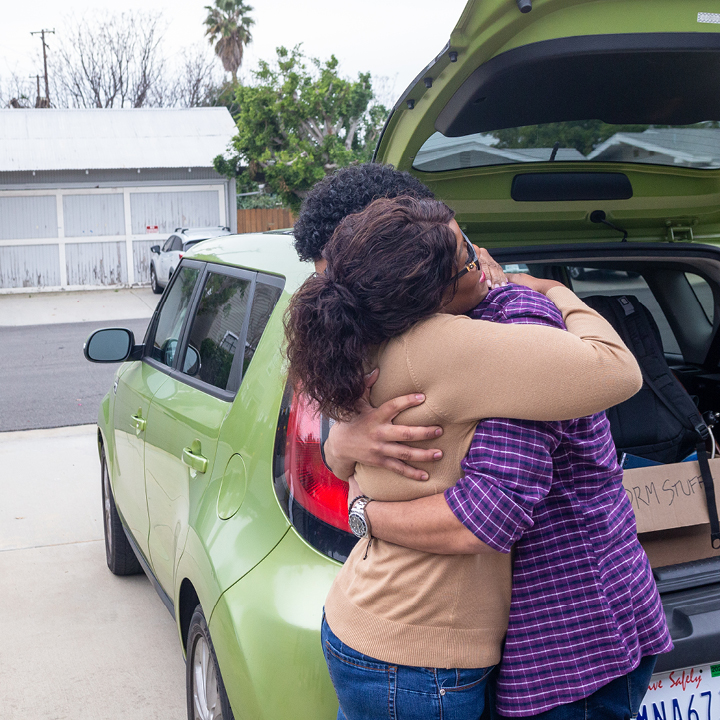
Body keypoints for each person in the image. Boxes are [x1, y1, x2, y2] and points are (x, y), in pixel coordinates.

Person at [285, 194, 643, 720]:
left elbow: (340, 454)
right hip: (417, 654)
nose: (484, 257)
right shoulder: (451, 344)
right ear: (432, 296)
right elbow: (617, 370)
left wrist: (340, 456)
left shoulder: (363, 333)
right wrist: (553, 287)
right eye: (468, 256)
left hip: (369, 621)